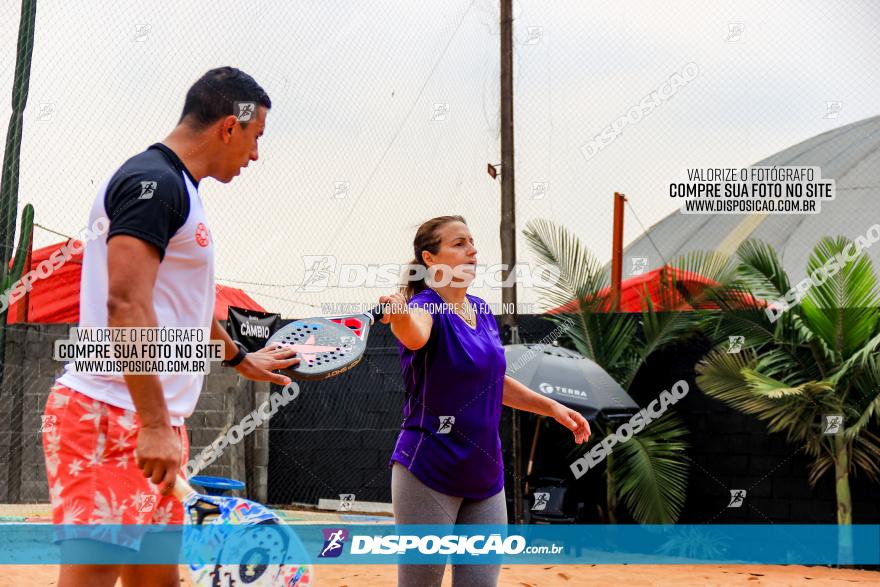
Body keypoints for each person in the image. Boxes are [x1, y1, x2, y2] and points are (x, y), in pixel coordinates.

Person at [41, 67, 299, 587]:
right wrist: (156, 424)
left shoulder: (181, 188)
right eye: (255, 137)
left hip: (147, 418)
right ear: (230, 126)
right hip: (108, 416)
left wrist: (239, 358)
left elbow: (186, 303)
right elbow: (126, 304)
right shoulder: (153, 184)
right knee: (94, 574)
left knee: (157, 580)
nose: (255, 155)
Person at [379, 215, 591, 587]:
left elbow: (492, 381)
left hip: (485, 473)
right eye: (459, 243)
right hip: (428, 469)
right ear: (430, 259)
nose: (472, 250)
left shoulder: (481, 310)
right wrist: (398, 316)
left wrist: (552, 407)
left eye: (472, 242)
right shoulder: (425, 307)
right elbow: (413, 334)